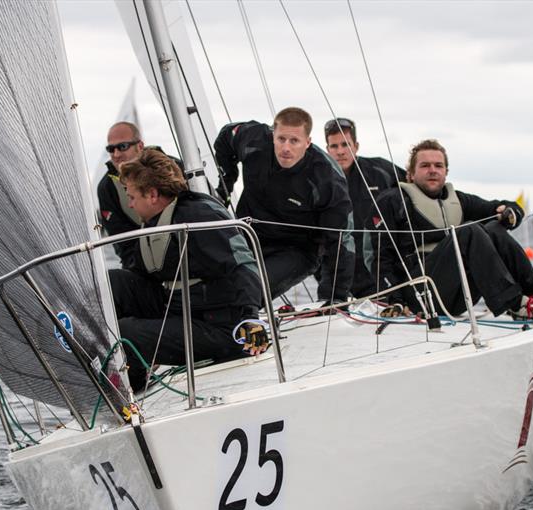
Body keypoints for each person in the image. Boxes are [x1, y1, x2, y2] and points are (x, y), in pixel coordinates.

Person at [364, 139, 533, 321]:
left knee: (493, 227)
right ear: (410, 174)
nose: (432, 170)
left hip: (454, 294)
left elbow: (503, 206)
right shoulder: (392, 201)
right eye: (425, 165)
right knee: (470, 231)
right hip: (417, 294)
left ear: (446, 172)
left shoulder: (459, 200)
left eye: (438, 166)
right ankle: (515, 303)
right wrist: (396, 300)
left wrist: (512, 211)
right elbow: (378, 256)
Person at [109, 149, 266, 392]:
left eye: (131, 196)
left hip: (221, 327)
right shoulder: (155, 222)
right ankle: (127, 376)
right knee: (114, 283)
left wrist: (250, 319)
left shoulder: (197, 216)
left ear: (151, 195)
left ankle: (134, 391)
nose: (129, 203)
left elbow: (242, 266)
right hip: (179, 307)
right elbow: (141, 275)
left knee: (125, 333)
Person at [214, 107, 354, 305]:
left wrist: (333, 298)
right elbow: (225, 138)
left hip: (296, 249)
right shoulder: (253, 139)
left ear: (308, 143)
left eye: (294, 141)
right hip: (249, 235)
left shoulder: (326, 179)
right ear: (273, 135)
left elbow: (339, 242)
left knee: (247, 290)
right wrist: (224, 188)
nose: (286, 148)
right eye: (281, 139)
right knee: (209, 283)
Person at [323, 117, 405, 297]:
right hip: (340, 271)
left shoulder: (380, 170)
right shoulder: (320, 180)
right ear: (327, 150)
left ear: (356, 146)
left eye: (346, 144)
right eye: (334, 146)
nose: (341, 152)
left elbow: (413, 186)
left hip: (379, 267)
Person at [97, 121, 183, 269]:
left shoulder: (173, 167)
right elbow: (123, 243)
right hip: (144, 264)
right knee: (115, 280)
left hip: (185, 251)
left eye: (122, 146)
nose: (116, 154)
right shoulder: (107, 188)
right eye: (111, 149)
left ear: (140, 146)